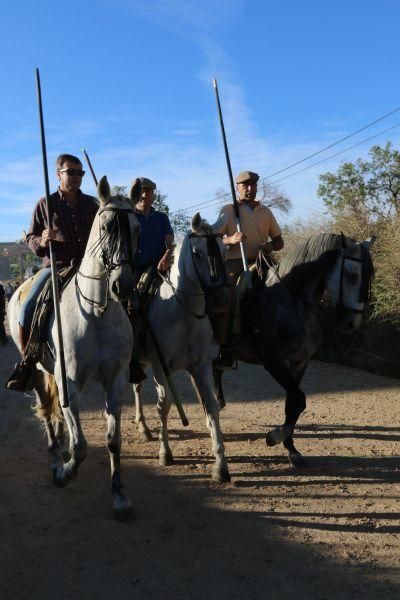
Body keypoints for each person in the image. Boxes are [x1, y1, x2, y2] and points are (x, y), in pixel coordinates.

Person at [6, 153, 98, 391]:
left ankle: (130, 355)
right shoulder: (45, 204)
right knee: (27, 309)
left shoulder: (93, 204)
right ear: (59, 174)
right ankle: (29, 360)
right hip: (57, 266)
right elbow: (30, 237)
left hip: (89, 267)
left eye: (80, 173)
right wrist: (42, 241)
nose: (77, 177)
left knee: (125, 297)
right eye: (71, 172)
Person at [213, 170, 284, 369]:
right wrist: (231, 239)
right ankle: (225, 348)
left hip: (263, 262)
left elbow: (279, 241)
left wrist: (270, 246)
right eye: (245, 185)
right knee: (232, 296)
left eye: (253, 185)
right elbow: (215, 239)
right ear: (238, 188)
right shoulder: (228, 210)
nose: (250, 189)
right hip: (236, 263)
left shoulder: (266, 212)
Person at [133, 177, 174, 276]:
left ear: (153, 196)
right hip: (133, 271)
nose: (144, 195)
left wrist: (167, 256)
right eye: (140, 192)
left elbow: (171, 243)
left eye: (148, 191)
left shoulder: (162, 218)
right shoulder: (129, 217)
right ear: (134, 195)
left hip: (159, 270)